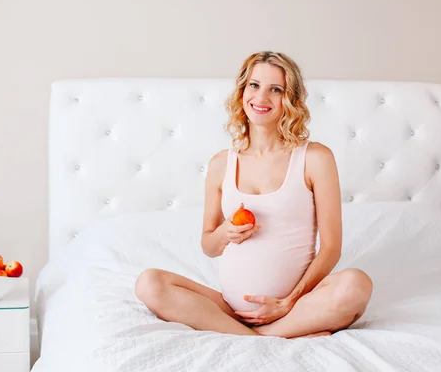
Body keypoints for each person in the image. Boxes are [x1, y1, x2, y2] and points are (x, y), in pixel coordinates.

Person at [135, 51, 373, 338]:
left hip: (295, 306)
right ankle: (264, 337)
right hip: (231, 309)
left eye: (276, 89)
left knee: (356, 285)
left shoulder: (314, 158)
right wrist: (225, 233)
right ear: (242, 91)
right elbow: (209, 246)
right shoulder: (221, 163)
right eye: (254, 85)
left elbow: (331, 248)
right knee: (149, 283)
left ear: (290, 99)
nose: (261, 98)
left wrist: (288, 303)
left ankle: (265, 333)